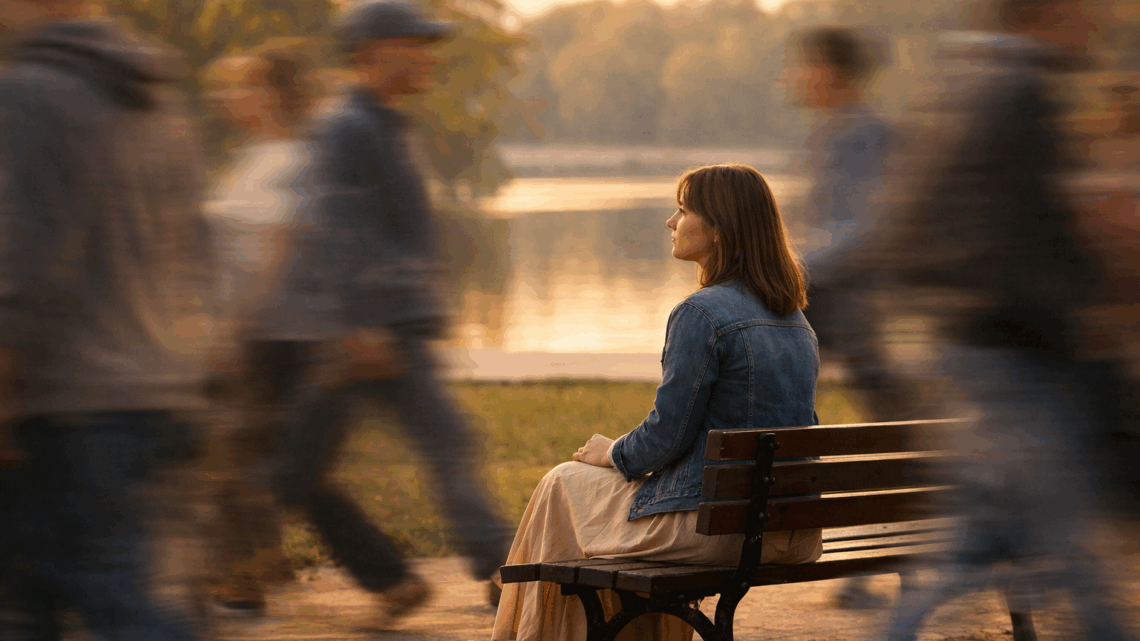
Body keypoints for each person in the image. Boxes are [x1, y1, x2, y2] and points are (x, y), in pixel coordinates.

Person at [882, 1, 1136, 638]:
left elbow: (916, 227)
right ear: (1055, 12)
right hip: (1017, 361)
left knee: (971, 548)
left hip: (987, 355)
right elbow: (1043, 242)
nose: (1102, 25)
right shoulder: (1019, 92)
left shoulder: (973, 83)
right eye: (1091, 14)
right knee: (1075, 552)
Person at [492, 163, 824, 641]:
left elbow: (666, 438)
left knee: (562, 483)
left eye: (684, 209)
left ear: (719, 228)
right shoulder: (796, 321)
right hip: (791, 533)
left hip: (720, 534)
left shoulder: (700, 313)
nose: (670, 221)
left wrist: (612, 452)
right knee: (581, 495)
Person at [264, 0, 514, 624]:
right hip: (360, 335)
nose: (429, 55)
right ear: (373, 52)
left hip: (389, 329)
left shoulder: (385, 124)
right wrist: (358, 322)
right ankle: (208, 568)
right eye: (416, 43)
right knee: (293, 472)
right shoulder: (345, 126)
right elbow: (336, 227)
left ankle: (494, 572)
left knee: (442, 444)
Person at [0, 0, 218, 638]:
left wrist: (4, 384)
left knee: (107, 593)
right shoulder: (152, 95)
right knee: (37, 596)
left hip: (68, 407)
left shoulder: (31, 93)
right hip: (153, 393)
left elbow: (31, 261)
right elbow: (194, 248)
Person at [784, 26, 908, 611]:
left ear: (833, 71)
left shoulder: (862, 134)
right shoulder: (835, 133)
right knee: (886, 431)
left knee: (892, 434)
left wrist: (794, 264)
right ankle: (874, 560)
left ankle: (881, 559)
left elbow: (866, 229)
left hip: (847, 303)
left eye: (806, 64)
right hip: (835, 300)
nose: (796, 76)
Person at [197, 44, 322, 616]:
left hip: (264, 337)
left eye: (242, 85)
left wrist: (235, 332)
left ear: (272, 95)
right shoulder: (254, 155)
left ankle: (242, 582)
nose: (229, 96)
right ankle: (254, 567)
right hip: (248, 331)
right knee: (243, 458)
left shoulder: (289, 159)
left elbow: (278, 252)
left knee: (229, 455)